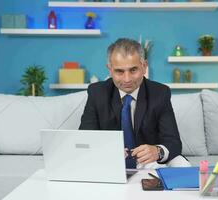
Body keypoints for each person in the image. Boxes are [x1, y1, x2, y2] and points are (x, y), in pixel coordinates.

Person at [79, 38, 189, 169]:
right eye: (119, 71)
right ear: (110, 69)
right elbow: (85, 139)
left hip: (150, 163)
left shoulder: (160, 93)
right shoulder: (97, 93)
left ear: (144, 66)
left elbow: (174, 142)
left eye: (133, 70)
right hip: (110, 162)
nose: (127, 79)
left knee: (181, 164)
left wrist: (157, 151)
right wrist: (107, 150)